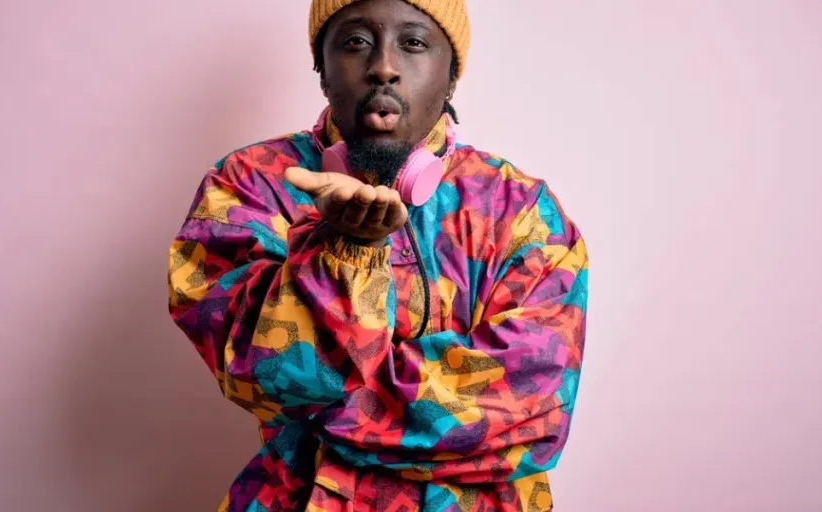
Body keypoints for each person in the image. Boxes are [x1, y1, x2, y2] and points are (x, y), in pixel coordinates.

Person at [167, 0, 589, 509]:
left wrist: (323, 413)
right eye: (355, 42)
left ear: (451, 76)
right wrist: (343, 252)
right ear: (322, 71)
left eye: (413, 43)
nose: (383, 67)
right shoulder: (251, 185)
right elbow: (262, 375)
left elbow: (534, 410)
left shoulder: (520, 210)